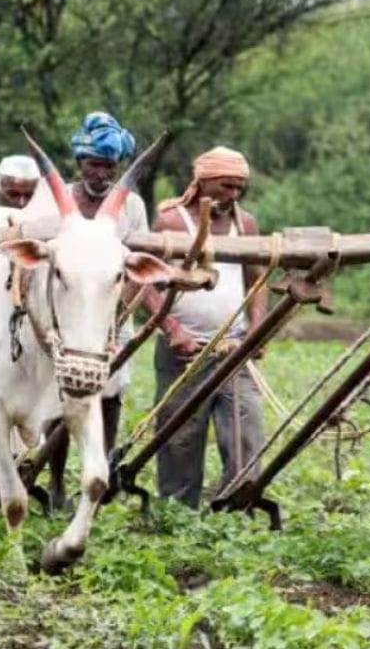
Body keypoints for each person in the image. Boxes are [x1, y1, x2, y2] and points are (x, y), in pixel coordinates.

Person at [141, 146, 266, 508]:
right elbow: (140, 285)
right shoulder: (171, 223)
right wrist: (172, 329)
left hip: (234, 348)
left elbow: (257, 282)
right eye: (227, 186)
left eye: (240, 187)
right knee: (179, 436)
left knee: (246, 433)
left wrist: (256, 329)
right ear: (203, 181)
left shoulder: (248, 225)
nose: (234, 195)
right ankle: (178, 512)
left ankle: (235, 508)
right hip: (184, 350)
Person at [45, 111, 149, 510]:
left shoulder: (131, 207)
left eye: (109, 166)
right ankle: (55, 485)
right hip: (65, 320)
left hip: (110, 319)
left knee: (109, 397)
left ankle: (98, 477)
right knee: (59, 399)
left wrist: (128, 312)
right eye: (94, 164)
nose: (101, 173)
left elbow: (138, 262)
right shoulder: (60, 203)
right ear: (80, 163)